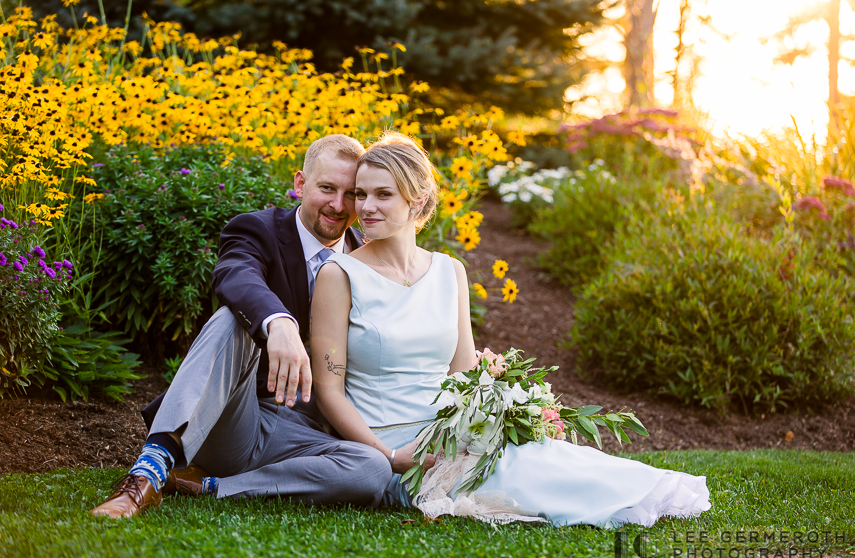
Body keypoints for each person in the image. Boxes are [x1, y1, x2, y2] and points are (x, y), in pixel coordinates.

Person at [309, 132, 711, 525]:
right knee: (522, 480)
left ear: (417, 201)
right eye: (361, 194)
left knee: (539, 460)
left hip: (455, 434)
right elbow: (329, 391)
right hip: (393, 445)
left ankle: (639, 490)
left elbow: (464, 373)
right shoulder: (340, 274)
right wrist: (389, 457)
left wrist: (501, 416)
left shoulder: (450, 271)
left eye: (383, 194)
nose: (365, 207)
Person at [91, 134, 392, 519]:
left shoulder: (368, 260)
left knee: (373, 470)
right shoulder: (257, 230)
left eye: (350, 194)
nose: (337, 205)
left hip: (311, 437)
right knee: (232, 320)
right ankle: (147, 475)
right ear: (300, 183)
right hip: (240, 420)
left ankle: (210, 487)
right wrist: (278, 321)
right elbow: (236, 275)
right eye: (326, 188)